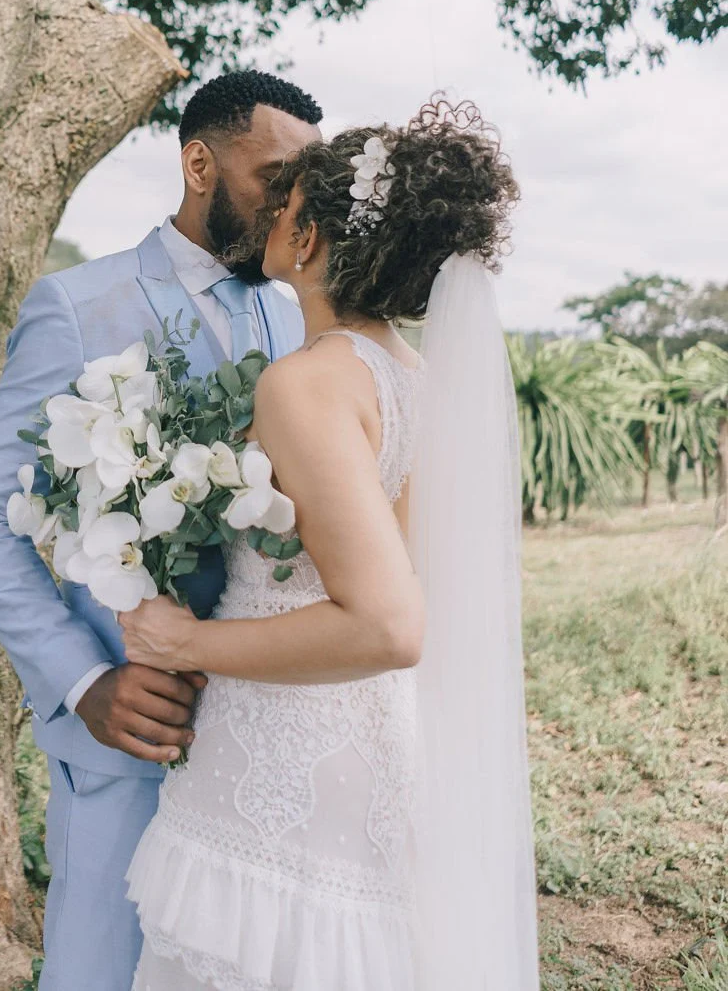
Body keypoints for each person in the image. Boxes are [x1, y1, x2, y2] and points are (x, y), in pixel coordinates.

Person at [120, 97, 540, 991]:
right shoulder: (418, 381)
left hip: (287, 756)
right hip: (381, 743)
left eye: (288, 202)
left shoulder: (305, 385)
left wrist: (184, 641)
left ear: (308, 239)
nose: (272, 215)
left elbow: (390, 624)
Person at [0, 70, 323, 991]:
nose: (292, 207)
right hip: (132, 737)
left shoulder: (296, 313)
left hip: (261, 742)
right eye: (274, 176)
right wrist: (84, 683)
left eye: (305, 185)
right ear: (200, 162)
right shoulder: (78, 307)